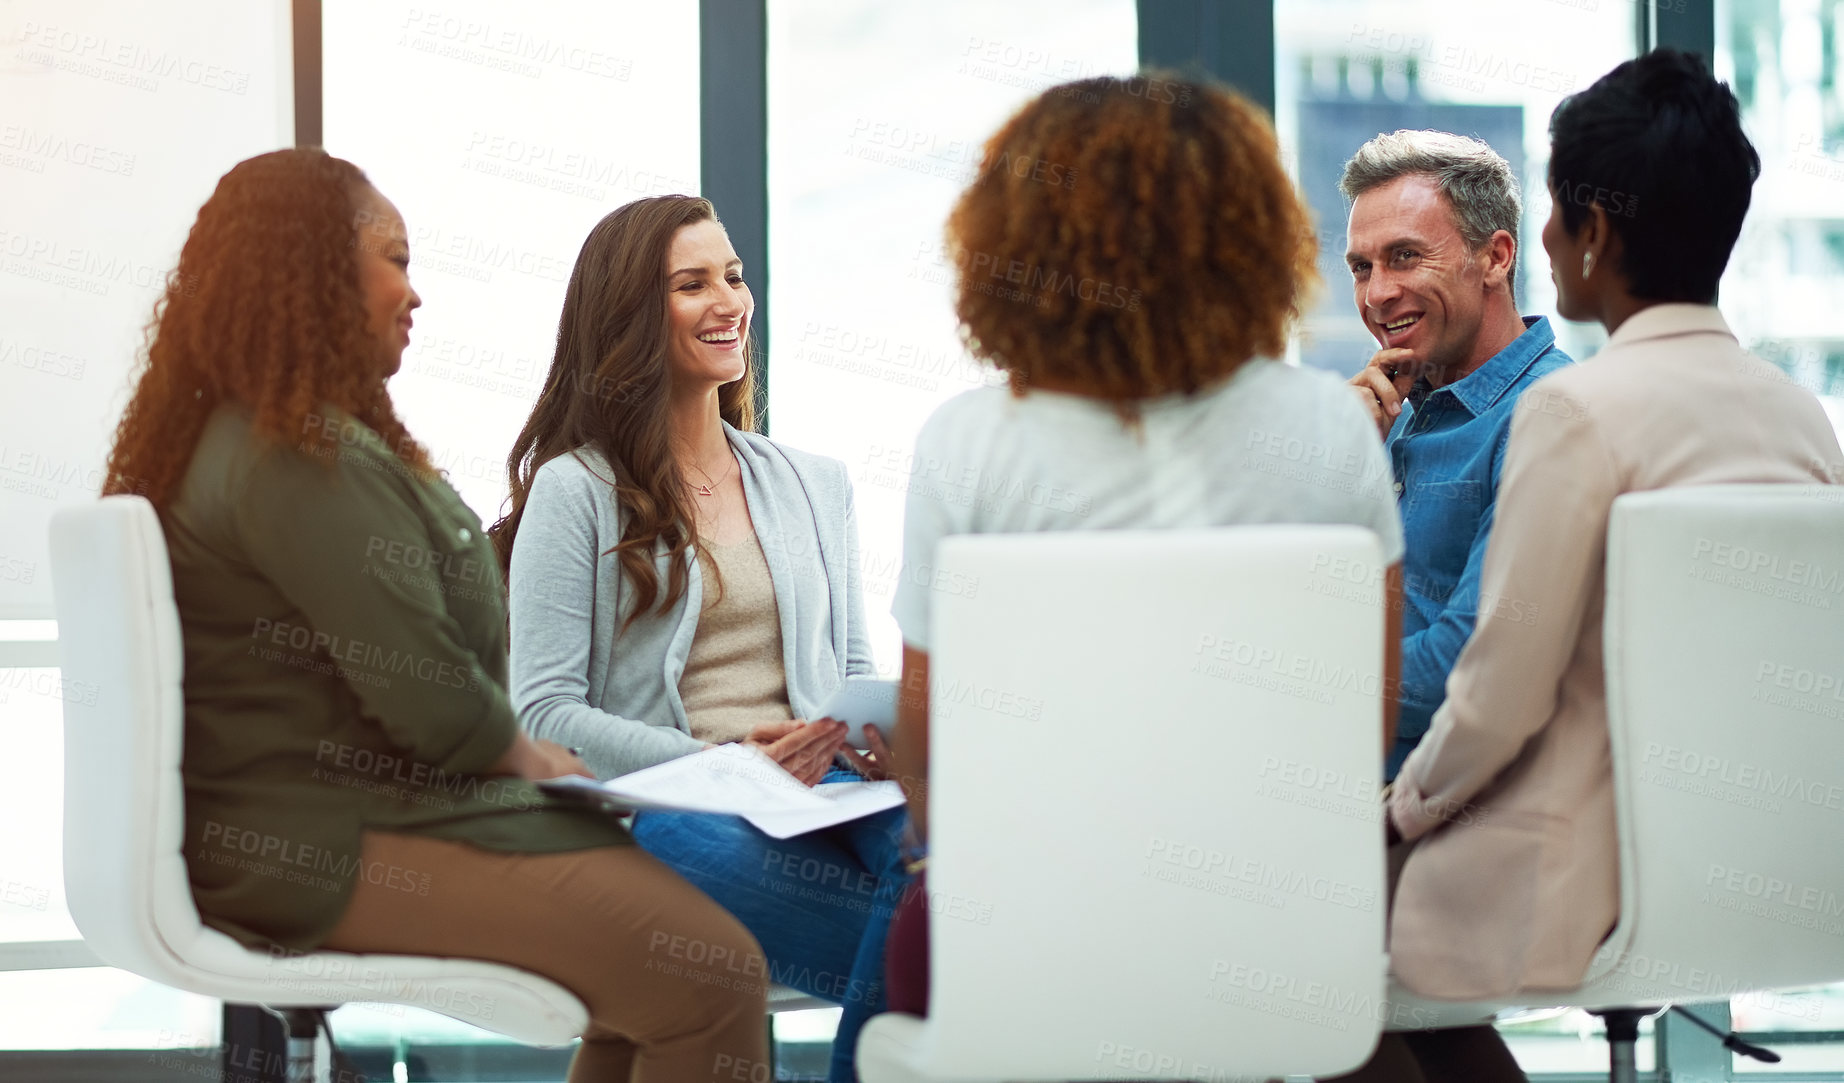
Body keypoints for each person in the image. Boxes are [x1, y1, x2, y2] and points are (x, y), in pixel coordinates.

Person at [105, 148, 770, 1081]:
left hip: (318, 828)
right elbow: (433, 703)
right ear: (315, 270)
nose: (414, 293)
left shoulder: (270, 434)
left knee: (657, 980)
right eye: (395, 258)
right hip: (323, 844)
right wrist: (534, 757)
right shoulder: (293, 453)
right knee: (712, 972)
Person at [881, 70, 1407, 1016]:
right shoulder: (1331, 433)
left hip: (1026, 944)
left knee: (900, 926)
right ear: (1247, 241)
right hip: (1282, 940)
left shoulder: (970, 445)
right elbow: (1356, 740)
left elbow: (931, 764)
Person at [1386, 39, 1842, 1058]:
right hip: (1767, 861)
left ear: (1591, 231)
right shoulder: (1800, 423)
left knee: (1302, 925)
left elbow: (1494, 690)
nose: (1540, 236)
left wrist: (1400, 808)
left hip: (1584, 874)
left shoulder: (1573, 413)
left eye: (1552, 210)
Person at [493, 194, 904, 1083]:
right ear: (634, 316)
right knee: (938, 933)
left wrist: (865, 743)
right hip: (674, 806)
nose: (729, 300)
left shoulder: (813, 480)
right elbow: (545, 710)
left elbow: (856, 671)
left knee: (941, 847)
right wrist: (720, 762)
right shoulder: (577, 490)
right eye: (693, 283)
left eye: (735, 275)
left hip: (827, 792)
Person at [1340, 130, 1575, 780]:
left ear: (1496, 257)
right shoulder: (1390, 408)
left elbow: (1460, 665)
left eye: (1406, 257)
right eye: (1362, 267)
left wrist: (1292, 671)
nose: (1377, 294)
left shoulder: (1550, 414)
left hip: (1446, 828)